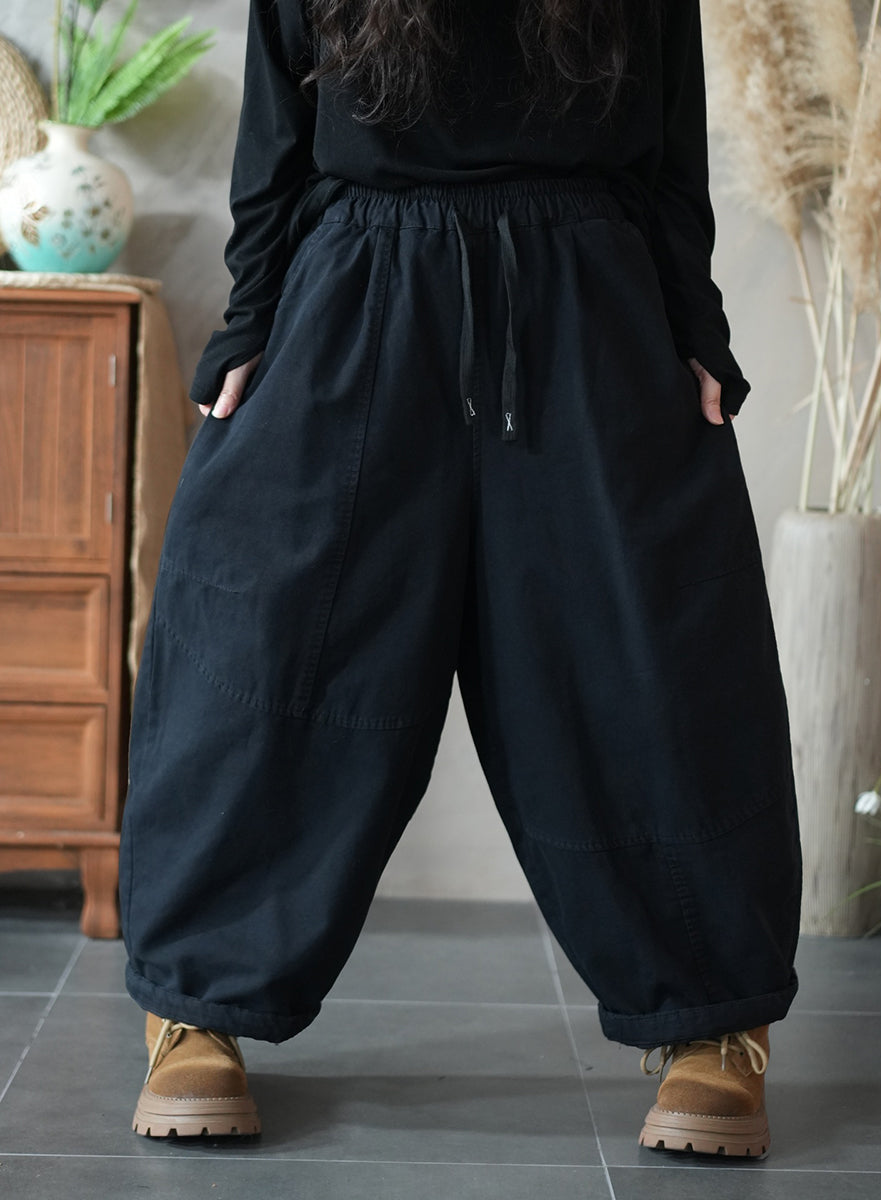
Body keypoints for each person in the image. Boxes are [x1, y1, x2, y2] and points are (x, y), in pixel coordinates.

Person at [119, 0, 802, 1157]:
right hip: (357, 288)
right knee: (260, 648)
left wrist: (694, 323)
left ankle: (712, 1024)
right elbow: (277, 135)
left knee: (652, 662)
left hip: (588, 299)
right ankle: (197, 1009)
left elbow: (668, 146)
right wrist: (249, 322)